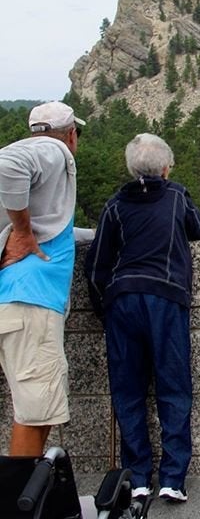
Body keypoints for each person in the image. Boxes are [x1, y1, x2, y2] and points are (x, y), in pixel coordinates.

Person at [84, 133, 200, 506]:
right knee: (173, 388)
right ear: (166, 168)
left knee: (128, 390)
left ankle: (137, 477)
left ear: (130, 168)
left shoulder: (115, 205)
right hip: (165, 300)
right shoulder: (175, 196)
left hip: (122, 301)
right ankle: (172, 478)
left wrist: (103, 310)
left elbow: (96, 265)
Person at [0, 100, 88, 456]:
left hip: (15, 300)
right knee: (36, 413)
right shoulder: (52, 150)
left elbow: (55, 232)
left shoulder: (39, 167)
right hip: (30, 304)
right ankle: (21, 502)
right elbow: (7, 165)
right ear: (71, 135)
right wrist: (22, 230)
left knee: (34, 408)